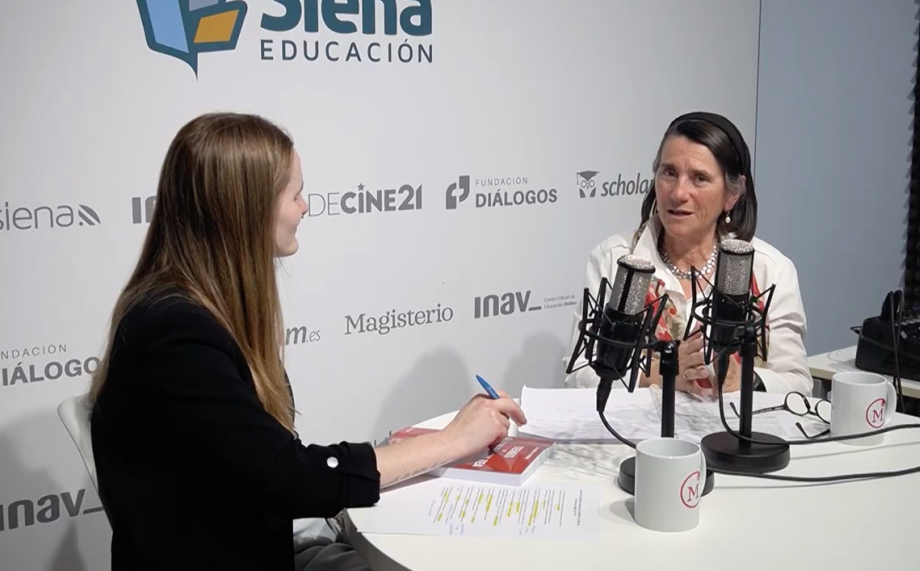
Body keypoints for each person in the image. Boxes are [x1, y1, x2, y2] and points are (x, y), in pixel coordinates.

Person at [88, 112, 527, 571]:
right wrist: (453, 441)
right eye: (294, 194)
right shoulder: (175, 334)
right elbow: (288, 478)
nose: (305, 207)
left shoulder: (195, 311)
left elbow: (264, 466)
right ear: (245, 208)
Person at [563, 111, 812, 396]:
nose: (678, 193)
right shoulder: (616, 258)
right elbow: (579, 372)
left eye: (699, 178)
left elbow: (797, 382)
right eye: (669, 173)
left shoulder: (769, 270)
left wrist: (743, 381)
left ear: (733, 194)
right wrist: (659, 374)